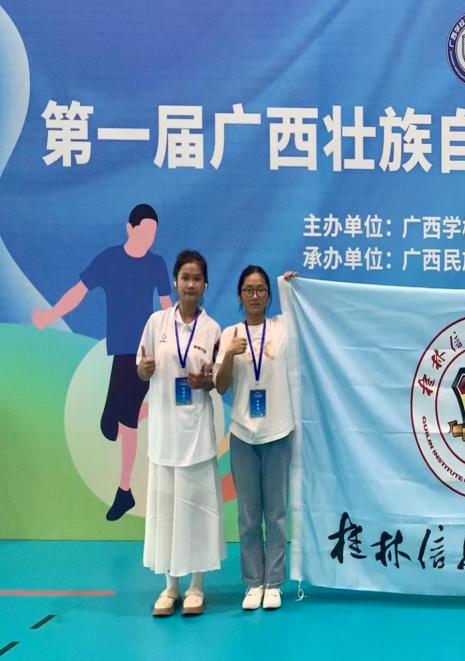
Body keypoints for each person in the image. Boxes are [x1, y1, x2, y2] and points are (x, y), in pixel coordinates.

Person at [33, 203, 171, 521]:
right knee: (111, 424)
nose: (149, 238)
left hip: (144, 355)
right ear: (130, 228)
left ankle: (124, 491)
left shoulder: (156, 264)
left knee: (126, 421)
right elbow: (78, 292)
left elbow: (168, 307)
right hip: (120, 352)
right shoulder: (109, 260)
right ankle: (136, 423)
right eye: (144, 231)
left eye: (154, 233)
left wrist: (176, 343)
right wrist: (50, 315)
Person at [137, 249, 224, 617]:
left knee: (198, 511)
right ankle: (170, 586)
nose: (191, 284)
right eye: (185, 278)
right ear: (175, 282)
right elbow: (142, 367)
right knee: (167, 512)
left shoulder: (213, 329)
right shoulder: (156, 322)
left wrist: (208, 381)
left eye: (197, 279)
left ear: (205, 285)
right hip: (165, 434)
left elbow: (220, 379)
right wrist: (143, 370)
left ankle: (196, 587)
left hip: (198, 434)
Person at [215, 267, 298, 611]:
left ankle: (274, 582)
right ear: (240, 295)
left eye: (261, 289)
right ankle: (253, 582)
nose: (254, 295)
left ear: (268, 295)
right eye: (248, 290)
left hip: (278, 432)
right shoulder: (229, 334)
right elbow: (220, 386)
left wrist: (291, 286)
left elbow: (303, 311)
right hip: (242, 435)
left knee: (276, 513)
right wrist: (229, 355)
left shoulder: (281, 328)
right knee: (249, 516)